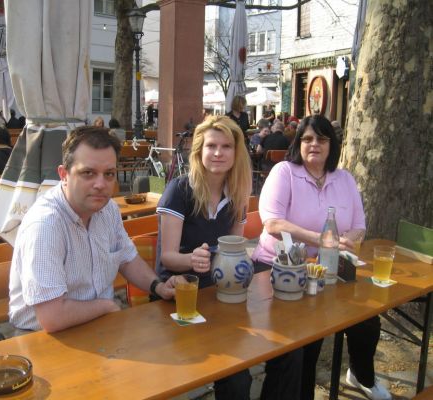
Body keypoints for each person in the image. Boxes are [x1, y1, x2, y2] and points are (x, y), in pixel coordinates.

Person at [252, 115, 391, 400]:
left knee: (367, 319)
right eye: (307, 139)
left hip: (329, 272)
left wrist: (346, 242)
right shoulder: (284, 172)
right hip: (278, 269)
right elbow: (273, 225)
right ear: (298, 143)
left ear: (332, 145)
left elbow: (359, 227)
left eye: (321, 139)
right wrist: (322, 240)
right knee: (301, 346)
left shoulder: (345, 179)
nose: (314, 144)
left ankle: (361, 375)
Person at [8, 126, 176, 332]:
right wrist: (106, 306)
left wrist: (158, 287)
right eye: (88, 173)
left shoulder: (108, 210)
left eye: (109, 174)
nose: (100, 184)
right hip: (42, 337)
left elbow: (126, 257)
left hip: (99, 322)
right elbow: (52, 318)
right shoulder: (46, 225)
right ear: (64, 174)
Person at [156, 115, 253, 399]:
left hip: (219, 293)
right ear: (199, 151)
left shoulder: (238, 193)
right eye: (211, 145)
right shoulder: (180, 190)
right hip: (177, 294)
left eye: (226, 146)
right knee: (236, 380)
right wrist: (192, 260)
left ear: (237, 153)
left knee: (283, 353)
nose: (219, 153)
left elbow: (235, 247)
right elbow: (168, 258)